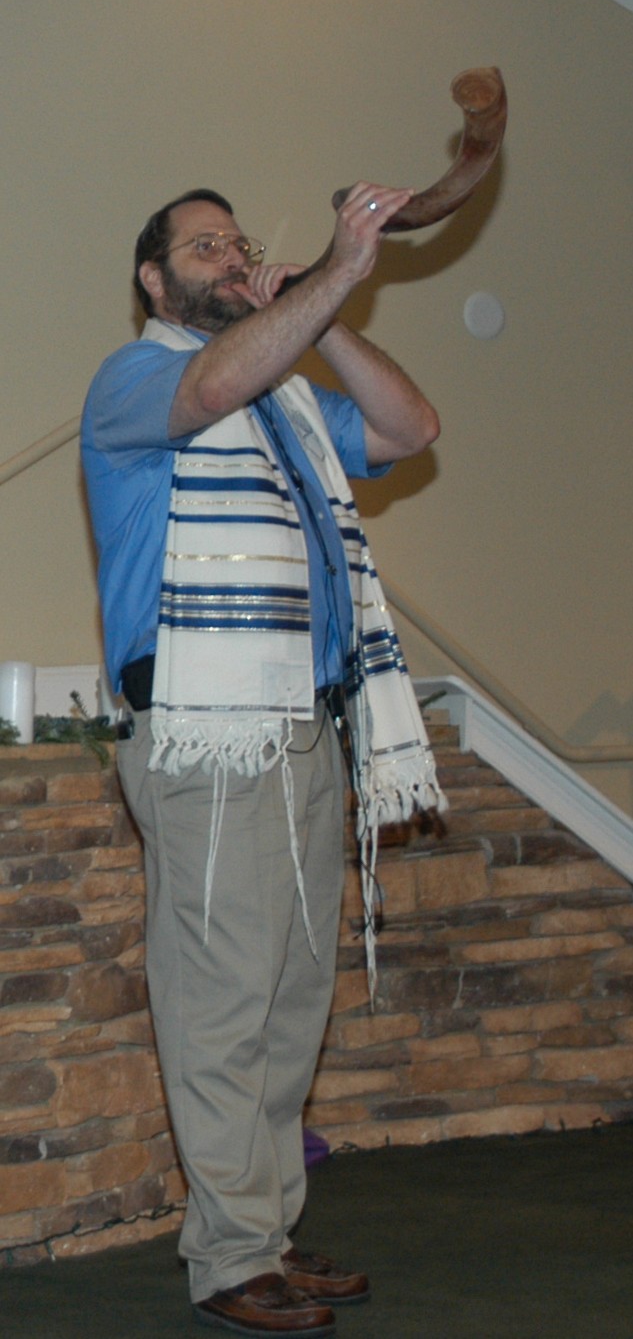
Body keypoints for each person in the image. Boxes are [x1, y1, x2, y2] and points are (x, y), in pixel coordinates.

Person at [81, 183, 444, 1337]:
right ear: (155, 279)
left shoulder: (286, 397)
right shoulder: (134, 379)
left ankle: (267, 1234)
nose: (230, 254)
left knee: (290, 999)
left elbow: (408, 431)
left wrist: (324, 311)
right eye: (204, 245)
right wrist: (334, 272)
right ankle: (231, 1254)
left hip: (302, 726)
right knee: (221, 999)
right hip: (207, 728)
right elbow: (208, 387)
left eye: (237, 241)